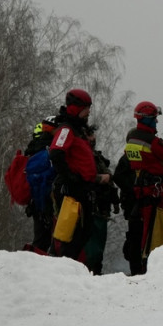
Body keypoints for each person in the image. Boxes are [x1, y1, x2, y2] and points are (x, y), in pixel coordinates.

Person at [48, 89, 108, 263]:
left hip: (83, 189)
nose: (89, 112)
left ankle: (69, 265)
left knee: (84, 230)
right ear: (76, 108)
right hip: (72, 189)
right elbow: (56, 153)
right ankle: (63, 265)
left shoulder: (78, 130)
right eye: (86, 108)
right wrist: (70, 177)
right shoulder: (67, 129)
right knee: (70, 233)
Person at [125, 101, 163, 274]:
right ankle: (148, 267)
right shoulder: (151, 140)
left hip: (139, 190)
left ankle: (140, 266)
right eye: (155, 118)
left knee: (140, 232)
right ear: (148, 119)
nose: (157, 122)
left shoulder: (132, 138)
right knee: (152, 232)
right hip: (153, 191)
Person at [83, 125, 119, 275]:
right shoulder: (84, 156)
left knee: (98, 250)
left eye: (93, 134)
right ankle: (89, 274)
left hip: (102, 209)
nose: (93, 138)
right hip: (91, 208)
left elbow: (110, 181)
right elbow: (84, 178)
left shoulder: (97, 156)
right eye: (89, 135)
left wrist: (115, 200)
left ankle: (95, 273)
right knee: (90, 250)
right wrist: (100, 179)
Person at [22, 117, 59, 254]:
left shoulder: (32, 149)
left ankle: (35, 263)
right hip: (49, 199)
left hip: (36, 201)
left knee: (40, 237)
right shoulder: (52, 149)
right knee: (53, 238)